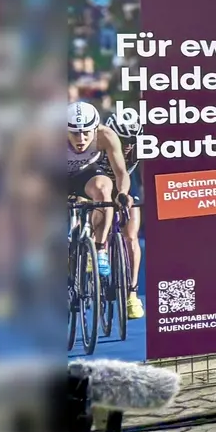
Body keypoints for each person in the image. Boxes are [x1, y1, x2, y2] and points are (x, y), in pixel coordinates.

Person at [66, 101, 145, 319]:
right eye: (74, 133)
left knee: (129, 233)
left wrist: (123, 195)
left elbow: (123, 175)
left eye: (132, 141)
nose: (80, 139)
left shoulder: (108, 137)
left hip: (93, 178)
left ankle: (128, 289)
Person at [102, 110, 146, 320]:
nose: (128, 144)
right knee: (96, 219)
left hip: (127, 182)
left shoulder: (138, 149)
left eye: (133, 139)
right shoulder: (101, 143)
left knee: (131, 237)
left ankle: (132, 292)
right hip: (101, 181)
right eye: (123, 139)